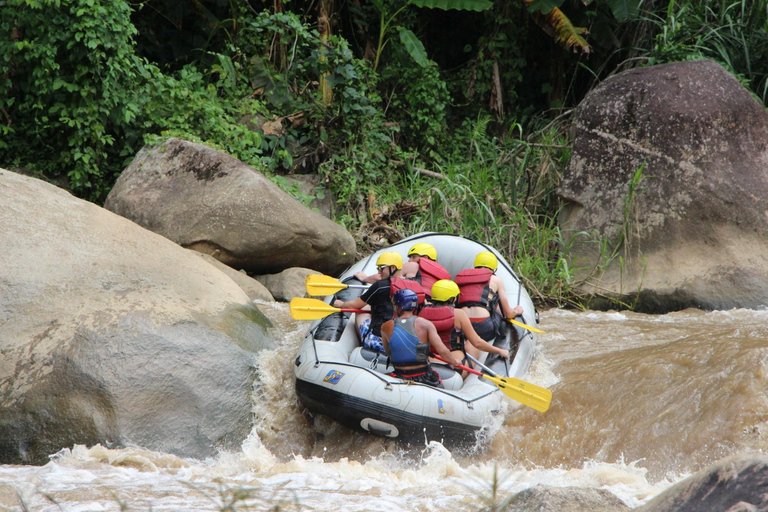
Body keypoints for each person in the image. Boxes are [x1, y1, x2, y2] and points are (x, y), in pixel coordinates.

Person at [420, 280, 509, 378]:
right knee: (471, 343)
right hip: (454, 368)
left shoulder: (421, 313)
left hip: (427, 364)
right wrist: (499, 351)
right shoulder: (458, 314)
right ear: (453, 299)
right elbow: (477, 343)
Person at [381, 289, 461, 388]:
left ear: (397, 306)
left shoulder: (385, 326)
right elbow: (442, 349)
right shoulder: (426, 324)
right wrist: (454, 361)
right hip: (423, 376)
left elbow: (388, 351)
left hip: (399, 375)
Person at [333, 251, 402, 352]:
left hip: (379, 342)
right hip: (403, 343)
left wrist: (341, 304)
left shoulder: (380, 286)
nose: (379, 272)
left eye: (381, 268)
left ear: (393, 268)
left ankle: (361, 343)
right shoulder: (413, 285)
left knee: (361, 310)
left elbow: (355, 305)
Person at [455, 251, 525, 344]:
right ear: (494, 268)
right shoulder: (496, 280)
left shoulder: (460, 278)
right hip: (483, 326)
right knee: (500, 317)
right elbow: (508, 314)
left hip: (461, 325)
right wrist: (516, 311)